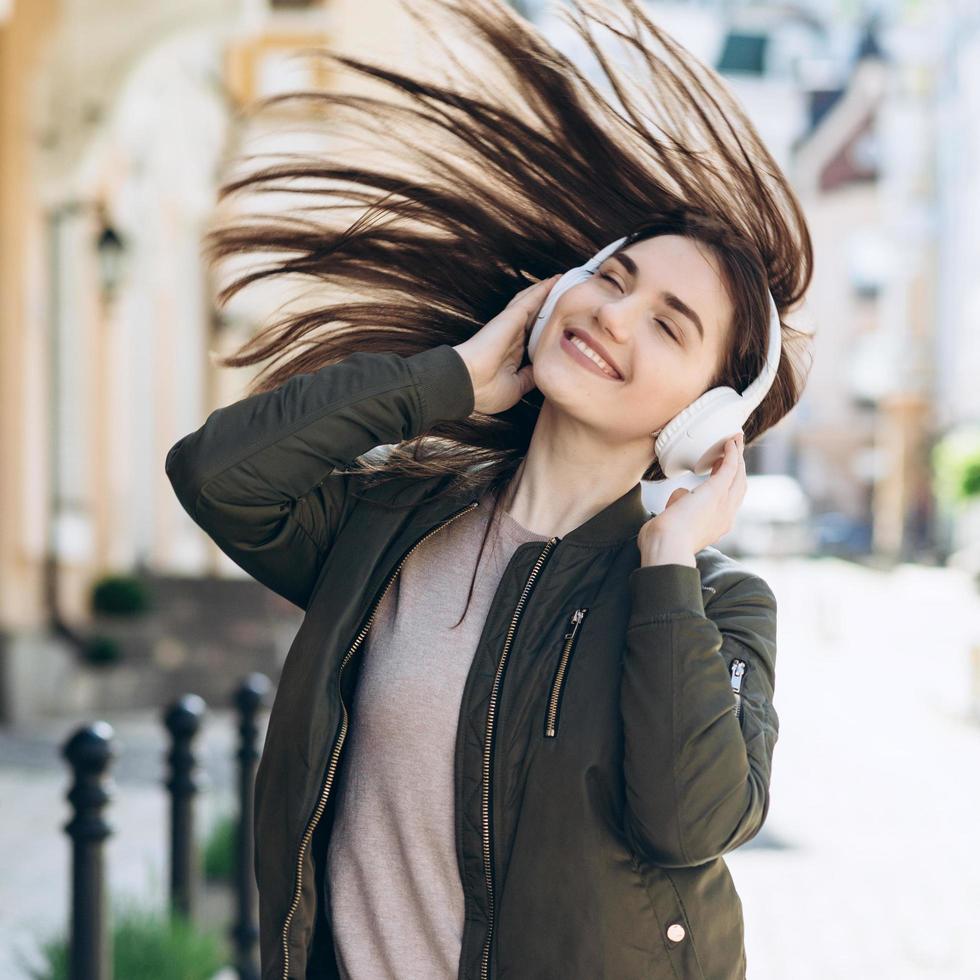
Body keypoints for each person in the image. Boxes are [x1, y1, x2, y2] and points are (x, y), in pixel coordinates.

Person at [166, 1, 814, 977]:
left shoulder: (711, 605)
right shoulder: (391, 525)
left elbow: (694, 817)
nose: (613, 314)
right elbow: (217, 475)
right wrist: (453, 378)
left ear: (702, 420)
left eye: (668, 324)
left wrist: (667, 562)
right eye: (613, 278)